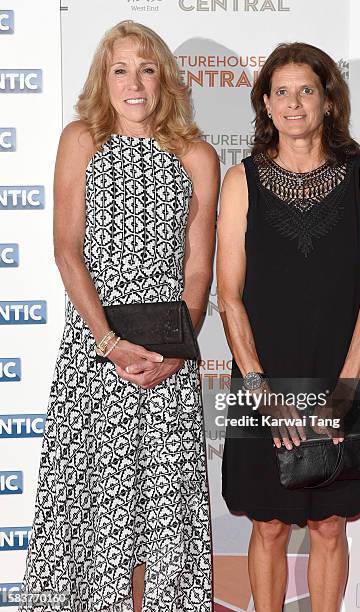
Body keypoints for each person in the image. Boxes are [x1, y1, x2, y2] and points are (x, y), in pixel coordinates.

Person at [18, 20, 219, 612]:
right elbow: (66, 249)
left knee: (166, 521)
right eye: (121, 69)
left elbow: (199, 267)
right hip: (94, 356)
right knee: (85, 518)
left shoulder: (197, 154)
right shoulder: (81, 138)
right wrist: (107, 341)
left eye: (147, 68)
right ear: (103, 80)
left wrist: (178, 351)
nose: (135, 82)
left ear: (166, 81)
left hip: (166, 361)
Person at [217, 42, 360, 612]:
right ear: (265, 104)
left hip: (343, 371)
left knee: (329, 528)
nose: (294, 103)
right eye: (282, 92)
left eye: (307, 90)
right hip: (260, 377)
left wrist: (345, 390)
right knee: (267, 526)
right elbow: (228, 296)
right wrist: (257, 389)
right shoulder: (239, 181)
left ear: (328, 102)